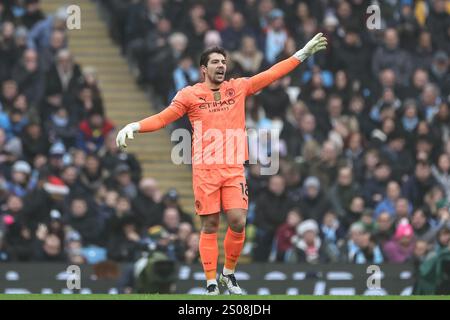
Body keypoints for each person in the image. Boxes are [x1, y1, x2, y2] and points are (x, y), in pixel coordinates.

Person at [116, 33, 327, 295]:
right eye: (215, 62)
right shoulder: (190, 95)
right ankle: (211, 282)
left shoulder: (237, 87)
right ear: (204, 69)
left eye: (223, 62)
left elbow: (271, 74)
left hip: (233, 168)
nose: (221, 66)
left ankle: (228, 274)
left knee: (238, 221)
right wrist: (135, 125)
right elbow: (162, 119)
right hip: (205, 170)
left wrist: (301, 54)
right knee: (211, 226)